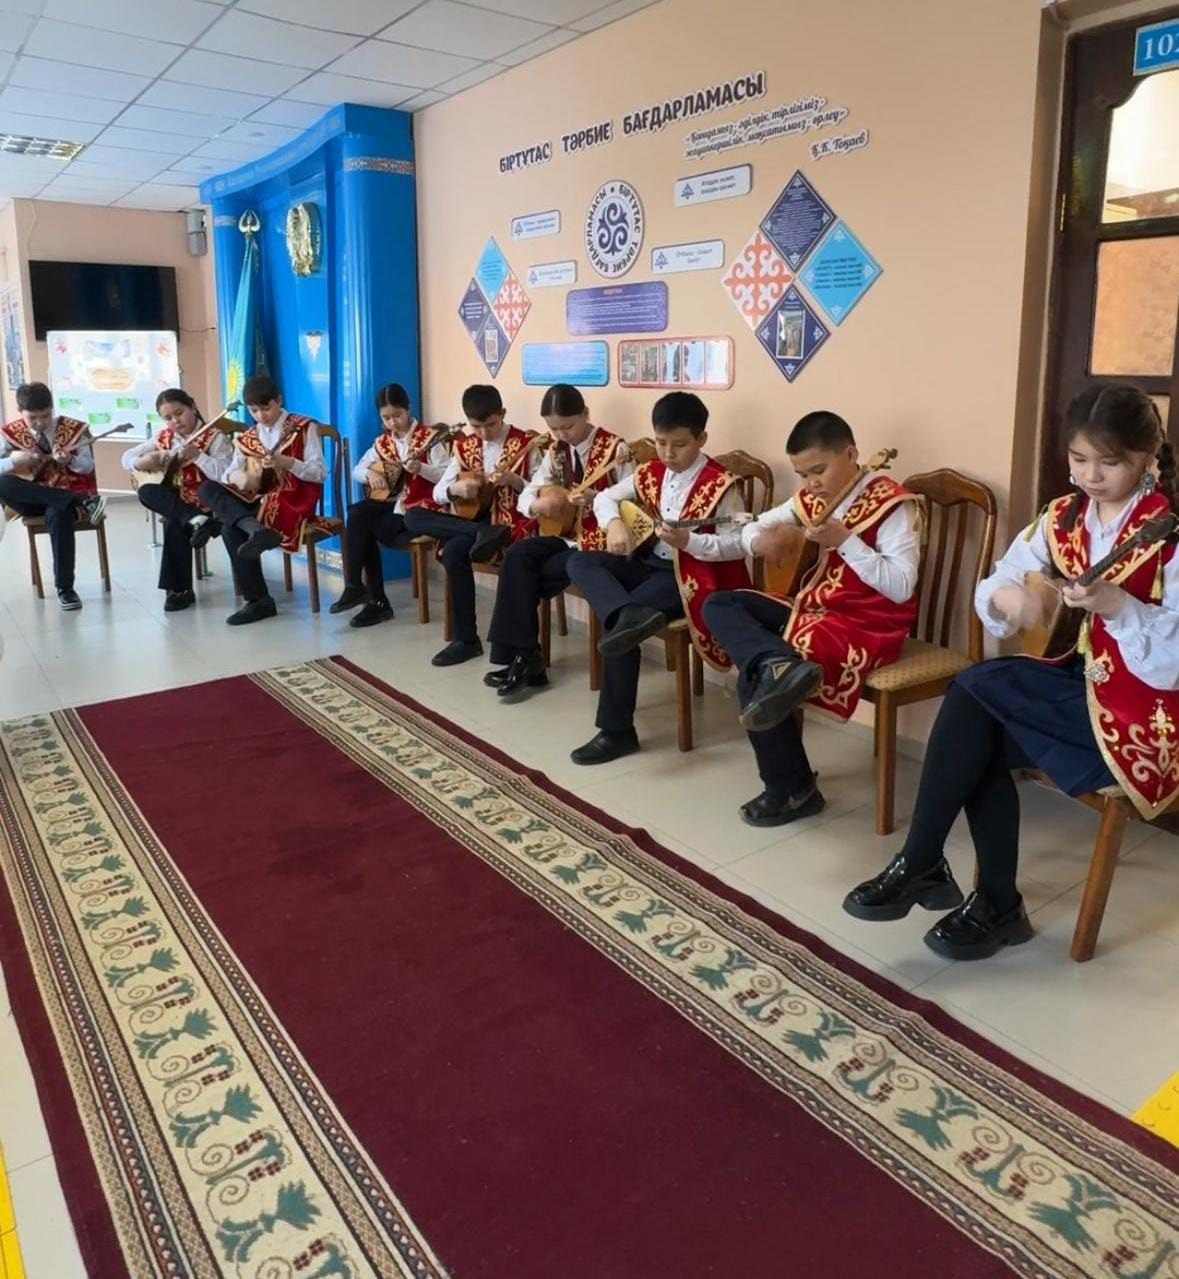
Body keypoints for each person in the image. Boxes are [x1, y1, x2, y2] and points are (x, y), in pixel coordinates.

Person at [844, 383, 1179, 960]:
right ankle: (994, 902)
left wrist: (1120, 607)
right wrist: (1011, 599)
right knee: (980, 737)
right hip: (1084, 686)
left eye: (1109, 462)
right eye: (1078, 459)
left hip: (1149, 711)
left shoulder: (1168, 535)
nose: (1091, 476)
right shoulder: (1064, 517)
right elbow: (1004, 574)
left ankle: (926, 863)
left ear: (1147, 457)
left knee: (976, 690)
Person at [703, 411, 922, 826]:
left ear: (852, 455)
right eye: (802, 475)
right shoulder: (811, 499)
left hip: (867, 624)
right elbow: (755, 526)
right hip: (815, 609)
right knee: (720, 604)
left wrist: (847, 542)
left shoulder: (893, 504)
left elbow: (900, 586)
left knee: (755, 675)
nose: (810, 484)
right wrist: (759, 540)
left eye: (818, 471)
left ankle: (791, 789)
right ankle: (777, 664)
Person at [565, 391, 750, 765]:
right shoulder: (650, 471)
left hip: (688, 575)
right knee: (580, 562)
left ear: (701, 439)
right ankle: (627, 613)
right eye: (661, 442)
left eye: (679, 445)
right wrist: (614, 524)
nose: (668, 453)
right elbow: (603, 498)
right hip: (646, 560)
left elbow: (738, 544)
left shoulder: (721, 483)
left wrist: (690, 541)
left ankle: (617, 732)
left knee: (620, 628)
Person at [485, 383, 631, 700]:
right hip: (566, 537)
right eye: (554, 428)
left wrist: (597, 499)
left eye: (568, 426)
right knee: (518, 555)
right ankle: (525, 655)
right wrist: (537, 504)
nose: (562, 434)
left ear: (585, 414)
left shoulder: (616, 450)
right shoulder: (556, 450)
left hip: (599, 547)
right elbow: (529, 491)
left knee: (526, 575)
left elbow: (637, 505)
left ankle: (526, 659)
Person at [403, 384, 540, 666]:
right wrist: (455, 489)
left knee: (454, 552)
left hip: (510, 523)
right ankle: (466, 640)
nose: (484, 433)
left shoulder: (525, 443)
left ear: (503, 414)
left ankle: (465, 639)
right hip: (475, 524)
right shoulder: (464, 446)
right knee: (412, 516)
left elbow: (541, 490)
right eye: (477, 427)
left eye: (491, 425)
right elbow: (438, 493)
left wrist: (516, 481)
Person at [197, 374, 326, 626]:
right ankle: (256, 533)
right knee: (207, 488)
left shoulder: (303, 427)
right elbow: (227, 473)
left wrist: (288, 462)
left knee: (229, 528)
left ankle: (258, 600)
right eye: (254, 411)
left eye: (266, 408)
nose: (261, 416)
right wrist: (238, 477)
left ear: (279, 400)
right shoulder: (248, 437)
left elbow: (319, 473)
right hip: (256, 497)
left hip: (292, 497)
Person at [329, 383, 451, 628]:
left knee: (362, 527)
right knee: (358, 512)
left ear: (408, 409)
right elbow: (357, 469)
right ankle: (357, 587)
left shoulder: (430, 438)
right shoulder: (383, 443)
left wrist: (422, 469)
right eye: (386, 418)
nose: (393, 423)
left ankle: (371, 598)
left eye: (397, 415)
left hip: (422, 508)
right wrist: (370, 475)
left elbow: (447, 475)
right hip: (395, 505)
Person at [121, 388, 233, 612]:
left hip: (208, 499)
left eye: (179, 413)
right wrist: (143, 461)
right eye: (168, 418)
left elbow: (225, 474)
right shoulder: (164, 438)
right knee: (146, 491)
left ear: (192, 406)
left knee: (174, 520)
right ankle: (196, 520)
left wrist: (198, 456)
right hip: (180, 502)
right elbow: (126, 458)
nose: (175, 421)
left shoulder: (214, 437)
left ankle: (180, 590)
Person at [0, 381, 106, 610]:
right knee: (2, 482)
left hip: (64, 494)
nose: (40, 423)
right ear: (20, 412)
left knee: (59, 514)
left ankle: (65, 589)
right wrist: (13, 461)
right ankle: (84, 503)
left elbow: (87, 466)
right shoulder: (9, 433)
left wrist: (71, 460)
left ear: (52, 408)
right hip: (31, 500)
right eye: (33, 418)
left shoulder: (73, 429)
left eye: (46, 416)